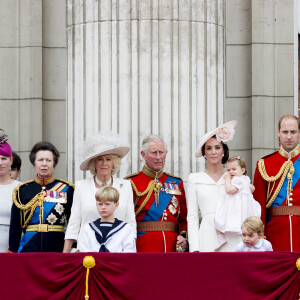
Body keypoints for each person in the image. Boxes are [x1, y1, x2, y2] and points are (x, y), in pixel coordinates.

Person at [63, 131, 136, 252]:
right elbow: (74, 223)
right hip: (87, 251)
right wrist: (65, 254)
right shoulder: (82, 186)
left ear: (114, 163)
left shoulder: (126, 186)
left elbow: (131, 222)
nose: (104, 163)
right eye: (100, 159)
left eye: (108, 159)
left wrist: (132, 254)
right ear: (94, 164)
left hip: (118, 252)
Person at [126, 134, 188, 252]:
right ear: (143, 155)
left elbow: (184, 218)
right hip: (143, 245)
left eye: (162, 152)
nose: (158, 157)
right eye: (154, 153)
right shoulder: (131, 182)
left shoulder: (176, 182)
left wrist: (183, 238)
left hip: (172, 246)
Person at [9, 142, 74, 252]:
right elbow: (15, 227)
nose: (44, 164)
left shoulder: (67, 189)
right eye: (40, 160)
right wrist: (13, 251)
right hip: (29, 249)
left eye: (48, 160)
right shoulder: (22, 190)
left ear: (54, 164)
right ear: (34, 164)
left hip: (57, 249)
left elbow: (73, 223)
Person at [187, 120, 241, 252]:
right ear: (204, 153)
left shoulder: (234, 176)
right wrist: (194, 248)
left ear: (223, 151)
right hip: (207, 236)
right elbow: (192, 217)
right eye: (209, 148)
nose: (213, 152)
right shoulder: (194, 179)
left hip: (233, 234)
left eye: (217, 147)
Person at [253, 114, 300, 252]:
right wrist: (259, 235)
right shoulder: (265, 164)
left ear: (299, 133)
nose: (289, 136)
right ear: (278, 133)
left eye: (293, 132)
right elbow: (258, 204)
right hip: (274, 234)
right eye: (285, 132)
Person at [214, 156, 261, 250]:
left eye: (234, 169)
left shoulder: (237, 180)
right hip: (244, 206)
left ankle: (220, 238)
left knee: (218, 219)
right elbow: (253, 189)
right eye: (228, 170)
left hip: (235, 206)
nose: (230, 172)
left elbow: (229, 190)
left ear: (243, 170)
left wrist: (227, 180)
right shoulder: (245, 179)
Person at [80, 186, 136, 252]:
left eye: (107, 204)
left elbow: (129, 253)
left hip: (117, 262)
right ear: (96, 204)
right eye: (100, 204)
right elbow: (85, 252)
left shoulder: (125, 228)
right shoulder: (89, 228)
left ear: (116, 205)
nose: (103, 207)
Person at [0, 130, 21, 252]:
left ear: (11, 161)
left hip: (13, 249)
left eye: (4, 158)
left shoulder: (21, 188)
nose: (0, 163)